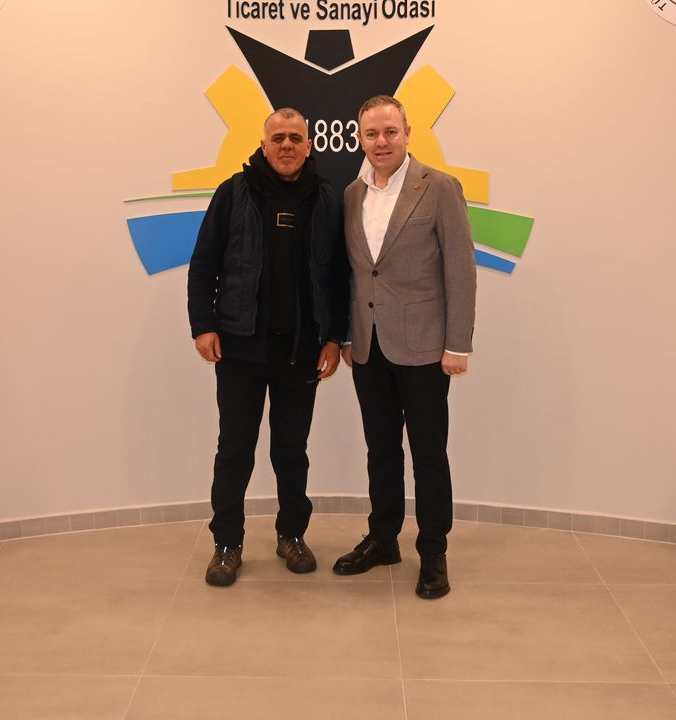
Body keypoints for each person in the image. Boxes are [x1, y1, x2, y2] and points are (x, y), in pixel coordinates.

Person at [187, 108, 348, 587]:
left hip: (301, 352)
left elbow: (339, 275)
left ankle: (291, 535)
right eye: (278, 138)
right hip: (239, 348)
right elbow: (204, 263)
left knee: (291, 451)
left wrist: (334, 336)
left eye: (295, 137)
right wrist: (204, 325)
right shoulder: (233, 193)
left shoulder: (326, 198)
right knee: (235, 449)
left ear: (309, 145)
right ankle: (227, 544)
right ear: (263, 144)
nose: (287, 145)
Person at [332, 95, 476, 599]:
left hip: (425, 349)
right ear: (359, 138)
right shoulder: (351, 194)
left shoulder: (439, 188)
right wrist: (348, 335)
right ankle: (383, 538)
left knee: (428, 454)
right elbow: (354, 274)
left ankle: (433, 550)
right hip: (368, 348)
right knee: (381, 451)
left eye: (390, 131)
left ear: (408, 133)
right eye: (371, 133)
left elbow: (461, 272)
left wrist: (458, 345)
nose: (381, 142)